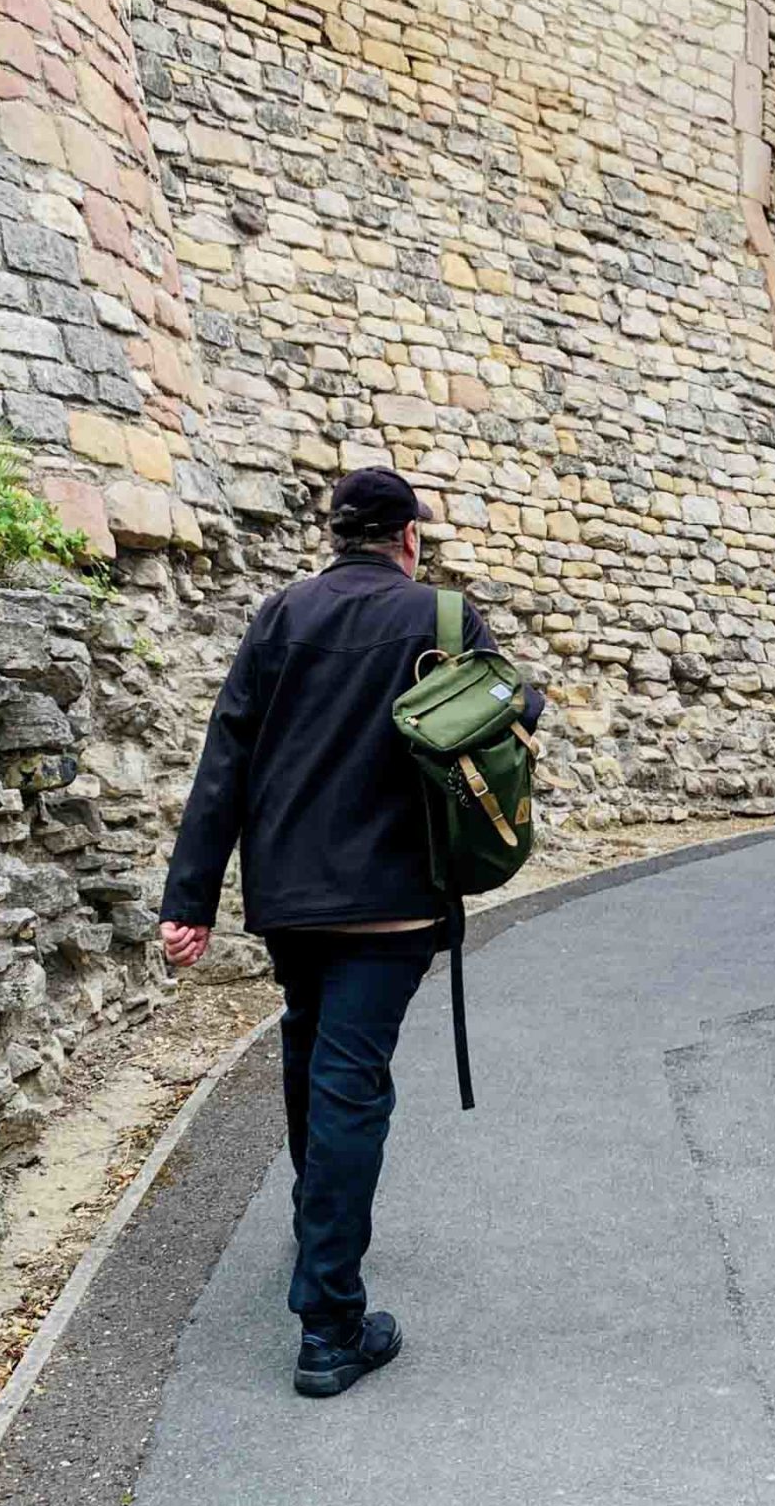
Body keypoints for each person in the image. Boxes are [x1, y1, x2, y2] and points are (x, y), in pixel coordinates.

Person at [157, 466, 540, 1399]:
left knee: (309, 1049)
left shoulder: (280, 615)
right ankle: (330, 1325)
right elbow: (519, 708)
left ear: (336, 536)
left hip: (289, 896)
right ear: (409, 537)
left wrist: (189, 899)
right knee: (350, 1084)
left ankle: (314, 1220)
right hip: (394, 896)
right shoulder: (441, 618)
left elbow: (225, 756)